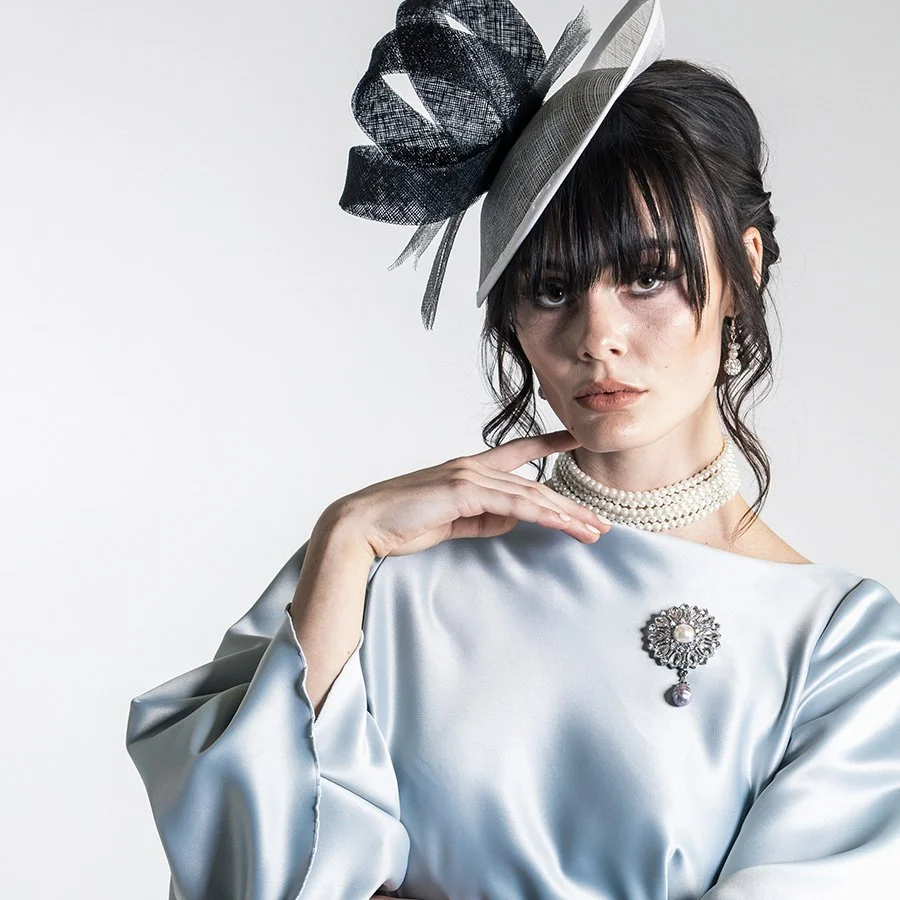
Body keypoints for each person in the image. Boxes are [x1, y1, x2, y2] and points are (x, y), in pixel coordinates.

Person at [126, 1, 900, 898]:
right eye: (552, 287)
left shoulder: (843, 645)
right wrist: (343, 537)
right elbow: (242, 876)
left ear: (744, 266)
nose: (596, 335)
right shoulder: (385, 573)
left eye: (647, 275)